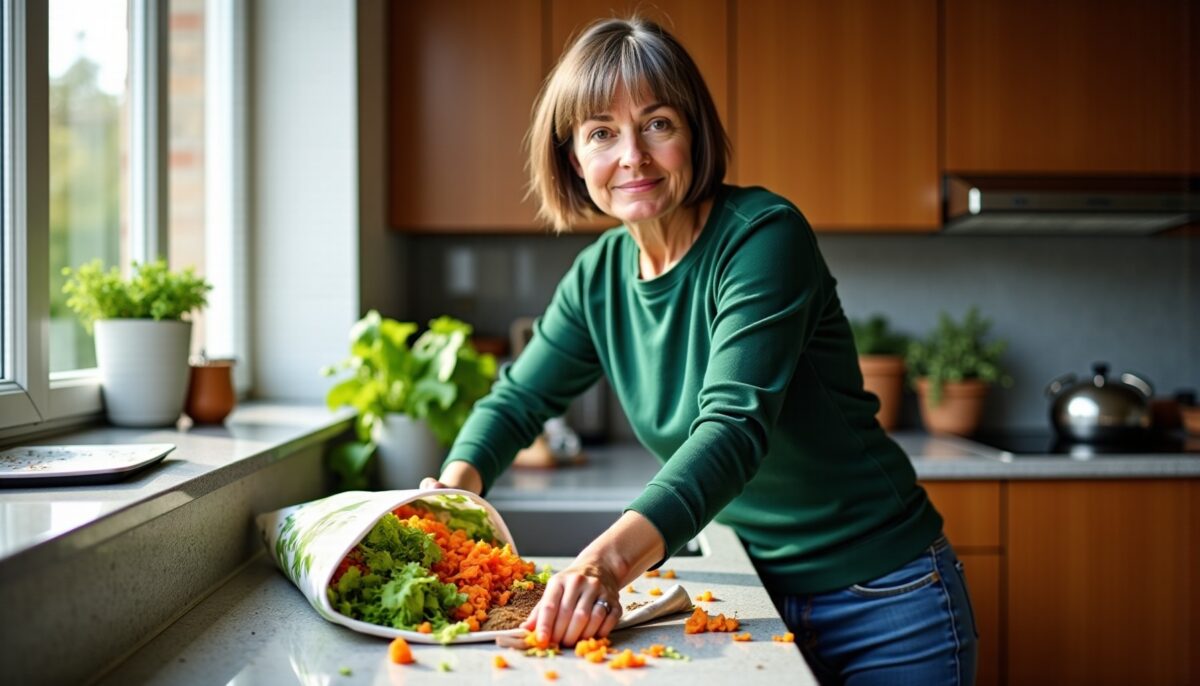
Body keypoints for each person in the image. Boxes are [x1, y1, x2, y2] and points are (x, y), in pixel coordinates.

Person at [420, 16, 978, 685]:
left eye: (657, 123)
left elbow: (733, 427)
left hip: (884, 597)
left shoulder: (763, 237)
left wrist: (602, 564)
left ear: (693, 133)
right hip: (748, 590)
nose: (632, 155)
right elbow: (517, 402)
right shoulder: (600, 277)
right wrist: (449, 505)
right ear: (573, 157)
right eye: (601, 133)